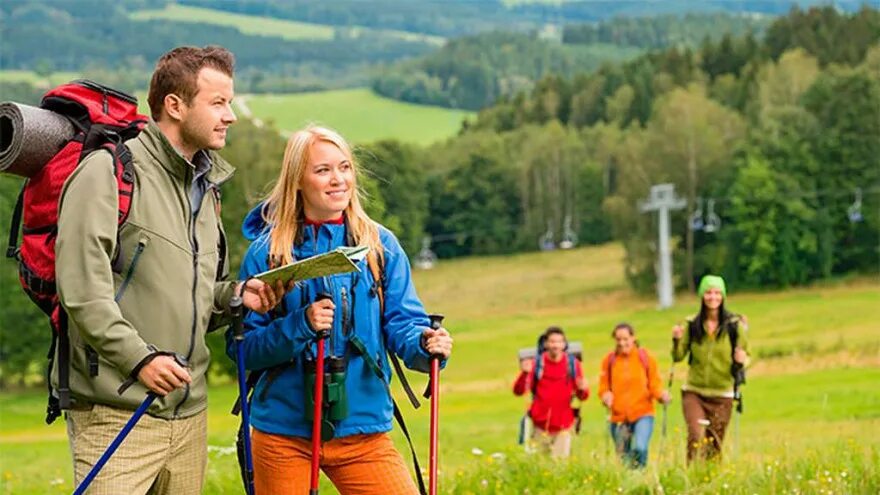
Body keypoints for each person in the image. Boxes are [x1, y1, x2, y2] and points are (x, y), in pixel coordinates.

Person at [55, 46, 283, 494]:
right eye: (218, 102)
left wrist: (235, 296)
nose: (231, 115)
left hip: (188, 416)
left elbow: (190, 293)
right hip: (116, 410)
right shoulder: (107, 173)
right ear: (174, 106)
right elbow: (82, 291)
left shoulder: (205, 188)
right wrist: (140, 359)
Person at [230, 125, 453, 495]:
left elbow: (403, 324)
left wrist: (426, 345)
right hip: (283, 434)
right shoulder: (267, 252)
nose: (338, 180)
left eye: (345, 167)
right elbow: (242, 350)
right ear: (297, 180)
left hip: (363, 432)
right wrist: (300, 325)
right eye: (323, 170)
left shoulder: (380, 246)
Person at [671, 275, 751, 462]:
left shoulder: (734, 325)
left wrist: (742, 359)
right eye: (708, 292)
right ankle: (691, 480)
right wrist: (676, 340)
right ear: (702, 296)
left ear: (723, 296)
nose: (712, 297)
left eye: (717, 293)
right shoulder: (692, 324)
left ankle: (711, 483)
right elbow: (677, 356)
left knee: (714, 444)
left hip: (722, 393)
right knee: (696, 437)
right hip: (694, 392)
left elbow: (747, 355)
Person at [598, 323, 670, 468]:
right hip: (618, 416)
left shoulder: (645, 357)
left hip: (643, 413)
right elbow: (603, 385)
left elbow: (654, 383)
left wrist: (661, 396)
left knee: (640, 448)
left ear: (633, 338)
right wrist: (605, 396)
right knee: (623, 456)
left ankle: (640, 476)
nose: (622, 343)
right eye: (618, 339)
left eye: (625, 339)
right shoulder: (609, 360)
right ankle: (629, 483)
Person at [513, 326, 589, 458]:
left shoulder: (572, 364)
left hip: (564, 426)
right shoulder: (537, 364)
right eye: (552, 342)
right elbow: (518, 391)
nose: (555, 345)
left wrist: (583, 389)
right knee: (540, 466)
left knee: (559, 465)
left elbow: (582, 396)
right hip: (540, 426)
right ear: (546, 344)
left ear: (564, 344)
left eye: (559, 342)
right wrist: (524, 374)